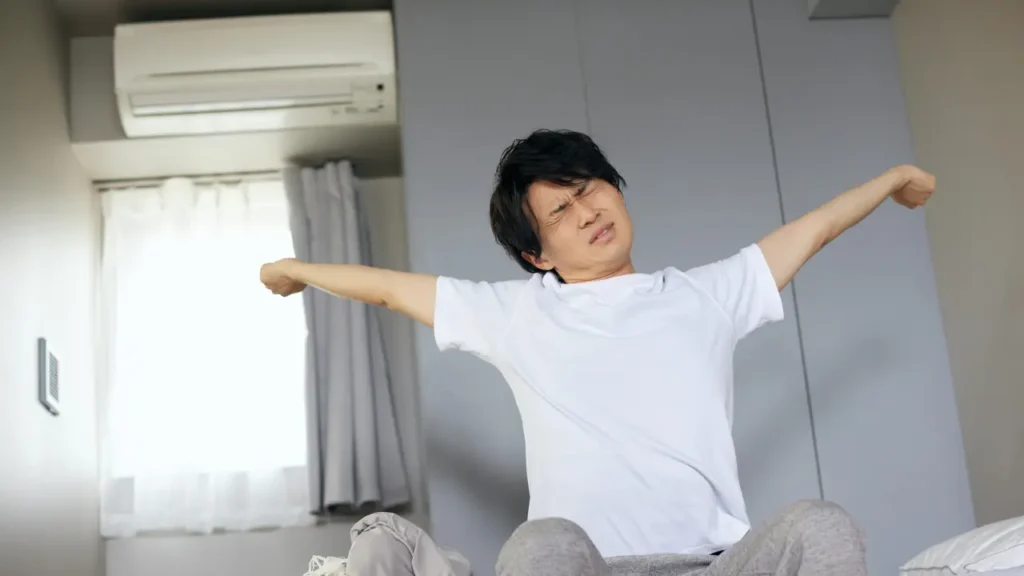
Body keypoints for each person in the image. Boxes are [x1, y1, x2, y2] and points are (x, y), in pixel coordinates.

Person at [261, 129, 935, 576]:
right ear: (537, 253)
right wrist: (295, 269)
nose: (587, 212)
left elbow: (811, 231)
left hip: (717, 564)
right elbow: (385, 290)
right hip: (589, 566)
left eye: (590, 189)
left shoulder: (707, 294)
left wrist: (893, 178)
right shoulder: (516, 313)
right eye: (560, 212)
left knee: (821, 525)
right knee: (539, 542)